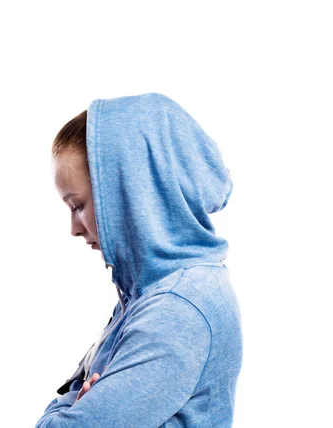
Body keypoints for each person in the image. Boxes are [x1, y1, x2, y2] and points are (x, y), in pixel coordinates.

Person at [36, 92, 242, 428]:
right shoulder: (148, 292)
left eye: (78, 206)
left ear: (128, 193)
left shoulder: (177, 308)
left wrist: (59, 413)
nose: (74, 228)